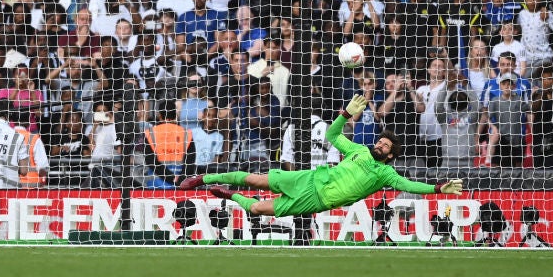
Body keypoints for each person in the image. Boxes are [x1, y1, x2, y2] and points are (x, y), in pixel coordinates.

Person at [179, 94, 463, 217]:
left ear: (389, 156)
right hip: (310, 177)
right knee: (254, 179)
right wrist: (345, 113)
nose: (380, 145)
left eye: (386, 147)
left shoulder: (385, 174)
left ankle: (229, 195)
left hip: (316, 199)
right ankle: (203, 177)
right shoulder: (359, 150)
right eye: (380, 141)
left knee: (255, 209)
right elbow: (333, 136)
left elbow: (410, 186)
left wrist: (438, 188)